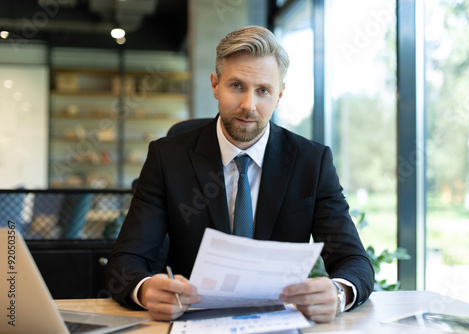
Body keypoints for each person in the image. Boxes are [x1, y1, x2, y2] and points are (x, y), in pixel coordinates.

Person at [105, 25, 374, 323]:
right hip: (192, 321)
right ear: (215, 85)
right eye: (236, 86)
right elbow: (125, 261)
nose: (249, 105)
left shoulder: (312, 161)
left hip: (279, 324)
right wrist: (144, 290)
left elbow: (354, 261)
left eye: (263, 91)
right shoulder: (167, 157)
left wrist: (338, 293)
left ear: (279, 94)